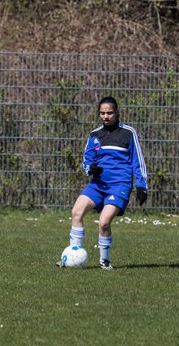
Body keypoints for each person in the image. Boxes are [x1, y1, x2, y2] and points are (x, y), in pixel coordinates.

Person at [56, 96, 148, 270]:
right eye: (102, 113)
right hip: (98, 185)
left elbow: (138, 161)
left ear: (117, 112)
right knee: (76, 212)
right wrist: (91, 169)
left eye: (110, 113)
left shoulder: (128, 133)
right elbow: (86, 161)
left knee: (104, 222)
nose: (106, 116)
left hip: (120, 184)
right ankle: (72, 256)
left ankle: (105, 262)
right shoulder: (95, 134)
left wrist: (142, 186)